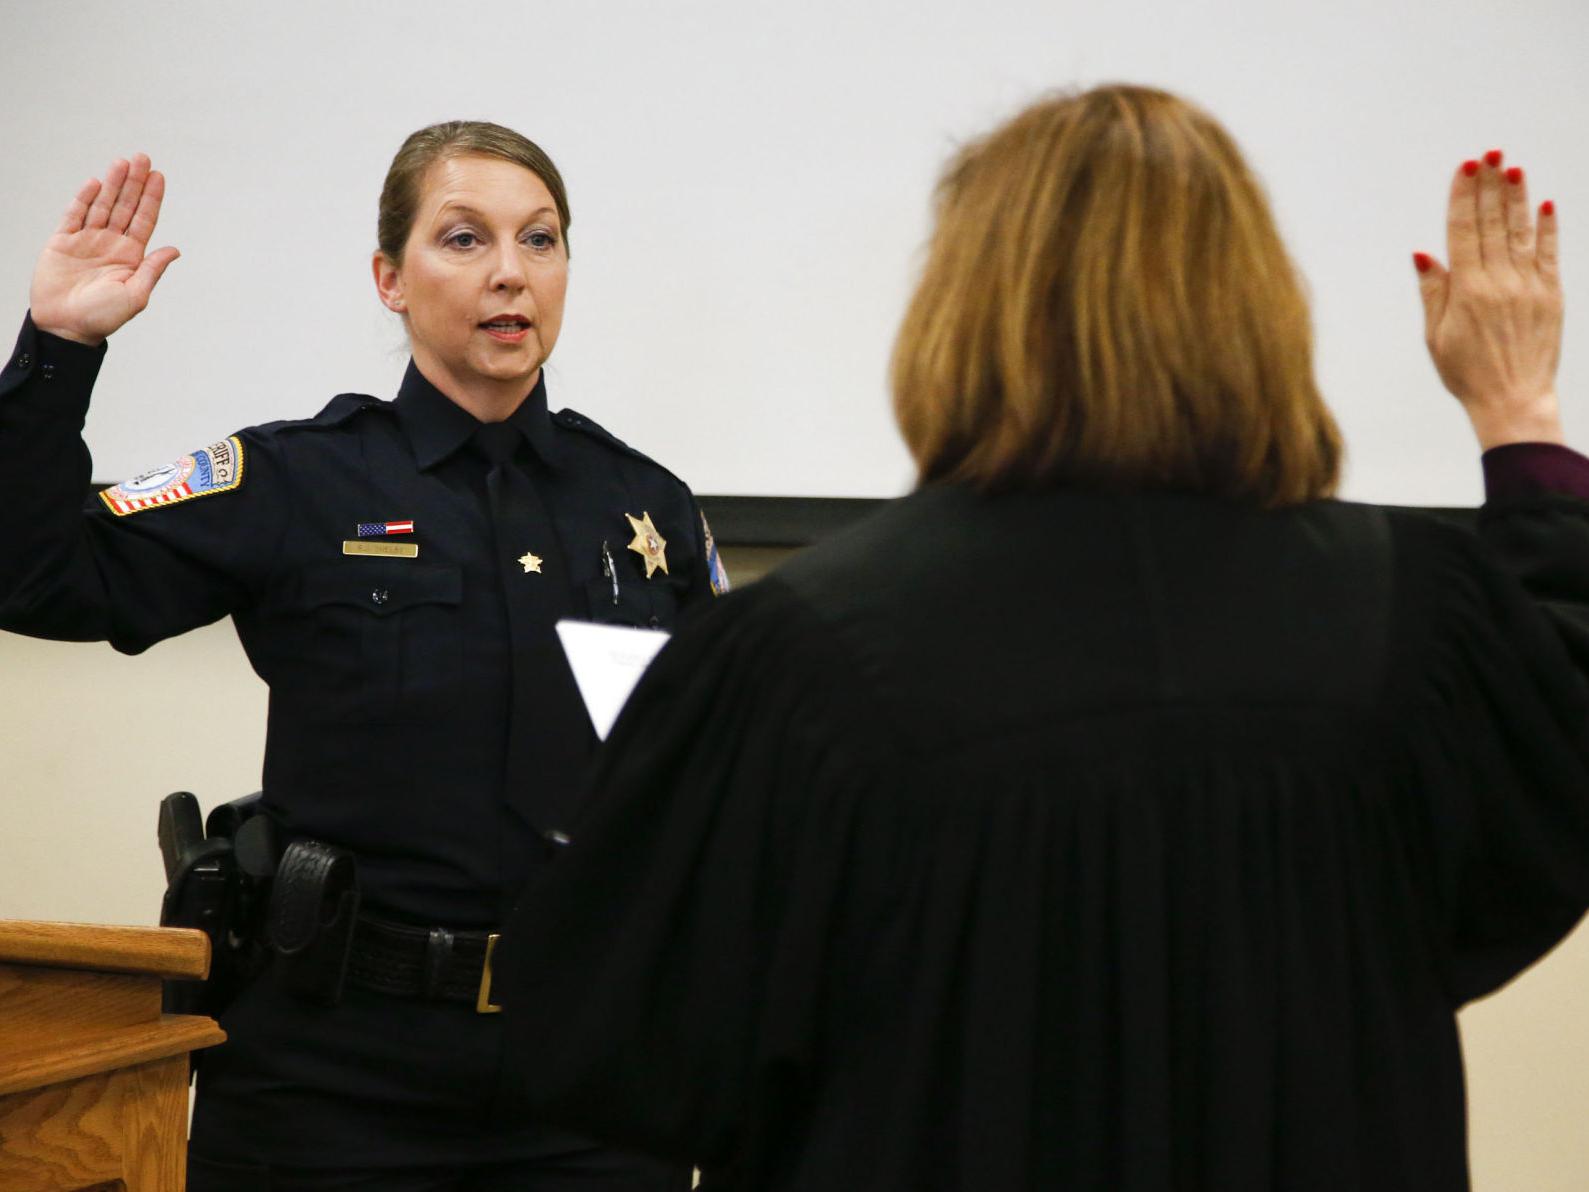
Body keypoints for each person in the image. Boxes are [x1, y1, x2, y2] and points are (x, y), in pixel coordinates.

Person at [493, 87, 1589, 1190]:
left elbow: (625, 1041)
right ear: (1262, 306)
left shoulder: (798, 652)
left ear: (961, 310)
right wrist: (1517, 411)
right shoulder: (1413, 614)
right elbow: (1552, 783)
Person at [0, 123, 723, 1189]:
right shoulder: (296, 480)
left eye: (539, 239)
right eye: (465, 239)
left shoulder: (643, 506)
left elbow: (723, 775)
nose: (510, 273)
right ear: (389, 278)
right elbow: (34, 576)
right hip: (333, 1078)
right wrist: (60, 348)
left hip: (590, 1077)